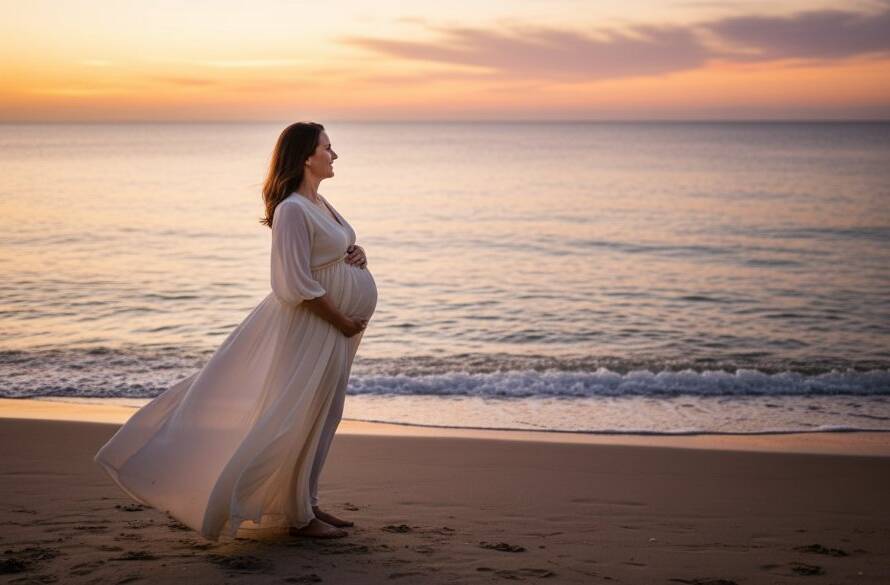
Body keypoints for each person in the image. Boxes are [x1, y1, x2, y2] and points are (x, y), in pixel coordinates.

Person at [94, 122, 377, 540]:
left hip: (336, 329)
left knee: (325, 413)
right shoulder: (291, 209)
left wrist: (357, 252)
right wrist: (341, 320)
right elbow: (293, 282)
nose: (334, 155)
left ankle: (306, 502)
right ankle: (298, 517)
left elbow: (332, 250)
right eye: (327, 148)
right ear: (305, 157)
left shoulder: (319, 201)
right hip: (316, 326)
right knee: (297, 415)